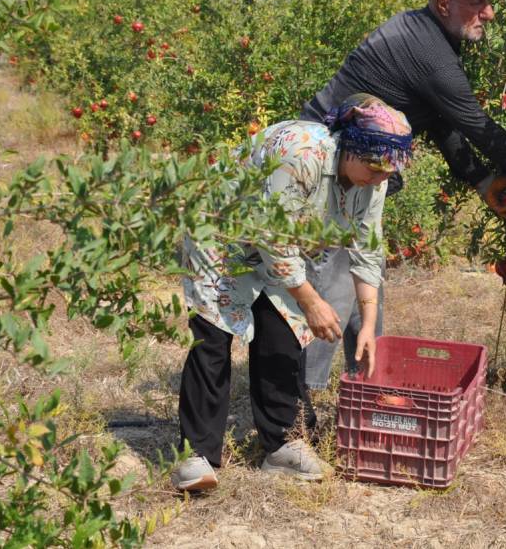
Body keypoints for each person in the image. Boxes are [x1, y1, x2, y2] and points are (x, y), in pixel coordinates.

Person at [170, 94, 412, 491]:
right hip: (222, 232)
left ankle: (281, 444)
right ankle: (195, 455)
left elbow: (368, 248)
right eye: (374, 169)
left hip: (281, 244)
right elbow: (271, 236)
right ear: (350, 146)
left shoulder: (374, 179)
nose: (379, 178)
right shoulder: (301, 154)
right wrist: (312, 300)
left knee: (283, 332)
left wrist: (368, 324)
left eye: (387, 173)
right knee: (214, 335)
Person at [300, 0, 506, 216]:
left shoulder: (422, 29)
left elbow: (439, 120)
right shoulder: (432, 55)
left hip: (337, 155)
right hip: (321, 159)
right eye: (477, 2)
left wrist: (483, 180)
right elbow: (477, 126)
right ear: (444, 4)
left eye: (488, 0)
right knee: (318, 249)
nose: (489, 13)